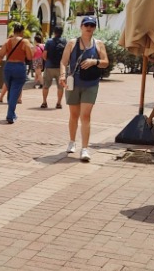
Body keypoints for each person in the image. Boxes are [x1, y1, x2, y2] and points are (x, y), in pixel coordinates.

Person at [59, 16, 108, 163]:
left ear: (94, 28)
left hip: (91, 84)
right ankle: (72, 141)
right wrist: (62, 75)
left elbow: (105, 63)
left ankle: (85, 148)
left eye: (92, 25)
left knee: (85, 116)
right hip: (73, 83)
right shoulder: (72, 43)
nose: (89, 27)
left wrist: (95, 61)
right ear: (81, 26)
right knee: (74, 115)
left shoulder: (99, 44)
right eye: (86, 24)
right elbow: (63, 61)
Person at [0, 23, 34, 124]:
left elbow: (1, 56)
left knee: (11, 91)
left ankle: (12, 113)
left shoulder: (7, 42)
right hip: (19, 67)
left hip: (8, 67)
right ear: (22, 32)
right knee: (14, 92)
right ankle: (10, 115)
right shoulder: (25, 42)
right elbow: (29, 57)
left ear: (13, 31)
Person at [41, 26, 66, 109]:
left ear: (54, 32)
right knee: (60, 87)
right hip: (60, 68)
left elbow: (44, 55)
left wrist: (47, 61)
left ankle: (44, 102)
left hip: (49, 67)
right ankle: (58, 103)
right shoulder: (64, 41)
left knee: (46, 86)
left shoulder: (49, 41)